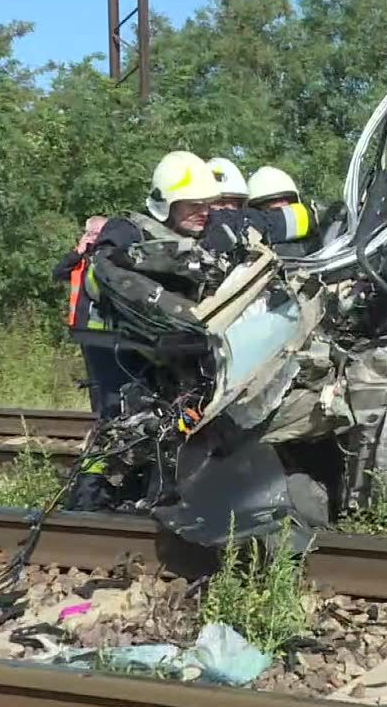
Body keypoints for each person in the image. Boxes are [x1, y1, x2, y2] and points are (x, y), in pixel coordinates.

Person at [65, 150, 224, 512]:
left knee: (172, 412)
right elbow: (111, 274)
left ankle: (150, 490)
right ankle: (87, 503)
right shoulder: (125, 230)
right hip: (111, 342)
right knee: (122, 419)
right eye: (192, 204)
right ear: (165, 203)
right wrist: (182, 314)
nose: (204, 211)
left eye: (207, 204)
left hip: (158, 341)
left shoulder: (201, 234)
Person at [53, 216, 108, 413]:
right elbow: (58, 273)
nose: (97, 238)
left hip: (108, 326)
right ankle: (98, 416)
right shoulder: (80, 261)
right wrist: (78, 251)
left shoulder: (109, 255)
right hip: (84, 326)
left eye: (100, 233)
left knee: (109, 374)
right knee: (94, 375)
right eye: (93, 234)